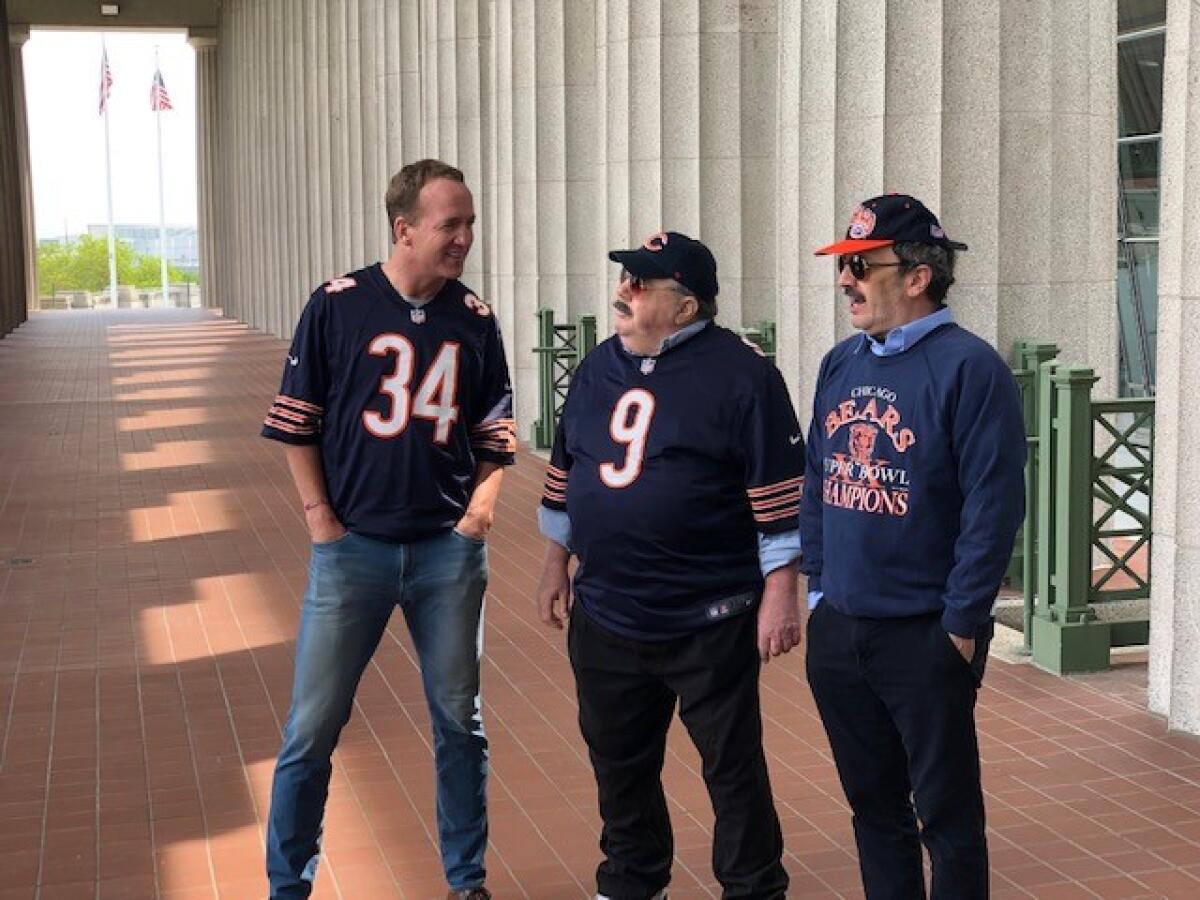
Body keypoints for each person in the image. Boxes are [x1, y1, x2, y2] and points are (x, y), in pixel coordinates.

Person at [261, 159, 514, 900]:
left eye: (470, 222)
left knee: (459, 727)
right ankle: (288, 886)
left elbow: (496, 432)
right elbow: (296, 423)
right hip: (353, 555)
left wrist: (480, 514)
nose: (465, 237)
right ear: (404, 230)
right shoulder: (337, 306)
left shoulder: (473, 319)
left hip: (446, 554)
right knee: (311, 730)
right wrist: (321, 523)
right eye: (450, 224)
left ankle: (466, 882)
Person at [535, 231, 802, 900]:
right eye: (627, 278)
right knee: (617, 761)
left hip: (708, 615)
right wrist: (553, 563)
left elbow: (778, 500)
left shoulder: (744, 375)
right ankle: (632, 877)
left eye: (641, 284)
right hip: (606, 611)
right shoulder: (600, 365)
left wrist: (781, 592)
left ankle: (753, 886)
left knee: (731, 767)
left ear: (686, 308)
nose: (623, 291)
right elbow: (568, 472)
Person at [800, 194, 1026, 899]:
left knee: (948, 818)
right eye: (845, 266)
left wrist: (960, 625)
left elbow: (994, 507)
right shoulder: (840, 363)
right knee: (874, 811)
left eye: (862, 266)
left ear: (918, 276)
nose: (847, 281)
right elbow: (817, 477)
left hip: (925, 635)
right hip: (842, 630)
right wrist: (818, 591)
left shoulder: (970, 368)